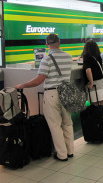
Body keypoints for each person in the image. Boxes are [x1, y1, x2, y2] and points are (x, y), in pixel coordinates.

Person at [15, 34, 74, 162]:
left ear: (47, 44)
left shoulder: (46, 59)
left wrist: (22, 85)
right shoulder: (68, 57)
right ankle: (70, 151)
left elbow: (39, 80)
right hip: (67, 94)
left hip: (52, 94)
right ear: (59, 42)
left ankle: (62, 154)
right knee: (67, 123)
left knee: (55, 125)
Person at [82, 39, 103, 106]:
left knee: (95, 106)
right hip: (102, 83)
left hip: (95, 86)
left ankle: (96, 117)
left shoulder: (86, 57)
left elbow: (88, 70)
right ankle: (102, 116)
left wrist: (91, 82)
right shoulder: (98, 56)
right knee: (101, 105)